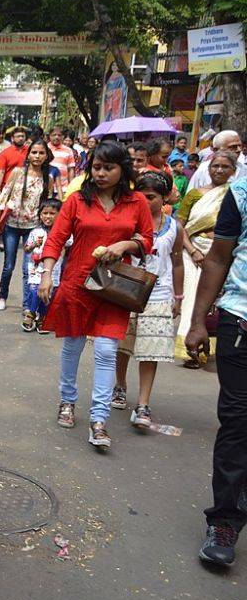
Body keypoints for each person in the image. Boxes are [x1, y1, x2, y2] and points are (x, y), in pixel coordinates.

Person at [38, 141, 154, 450]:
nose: (100, 173)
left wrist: (124, 246)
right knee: (73, 345)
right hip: (77, 283)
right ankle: (67, 400)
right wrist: (47, 274)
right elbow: (56, 239)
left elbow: (147, 240)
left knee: (105, 350)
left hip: (115, 289)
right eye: (96, 167)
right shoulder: (77, 200)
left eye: (108, 168)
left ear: (122, 169)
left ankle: (99, 419)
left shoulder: (137, 202)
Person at [185, 176, 247, 567]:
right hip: (240, 322)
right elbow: (219, 257)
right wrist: (196, 321)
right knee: (238, 421)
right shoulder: (241, 192)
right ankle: (225, 520)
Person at [111, 172, 186, 425]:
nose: (145, 200)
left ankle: (143, 404)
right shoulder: (127, 221)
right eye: (141, 195)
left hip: (159, 294)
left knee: (150, 351)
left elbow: (176, 263)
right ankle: (119, 386)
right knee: (122, 345)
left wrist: (178, 296)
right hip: (126, 290)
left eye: (151, 197)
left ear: (164, 198)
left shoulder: (175, 227)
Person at [175, 150, 239, 367]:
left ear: (234, 171)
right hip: (192, 252)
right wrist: (192, 250)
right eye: (215, 166)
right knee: (193, 298)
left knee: (217, 300)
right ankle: (188, 350)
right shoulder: (194, 195)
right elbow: (180, 226)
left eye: (225, 167)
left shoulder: (235, 194)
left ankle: (207, 348)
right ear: (208, 168)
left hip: (221, 254)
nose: (219, 170)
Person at [0, 139, 57, 312]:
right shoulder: (17, 172)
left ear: (46, 156)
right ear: (28, 155)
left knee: (30, 269)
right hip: (12, 225)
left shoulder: (47, 178)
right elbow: (4, 196)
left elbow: (48, 205)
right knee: (9, 266)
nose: (37, 156)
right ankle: (2, 296)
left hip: (33, 227)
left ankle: (28, 306)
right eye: (34, 152)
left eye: (41, 153)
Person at [21, 199, 65, 333]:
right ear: (40, 215)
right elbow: (27, 249)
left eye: (52, 213)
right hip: (36, 267)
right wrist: (35, 245)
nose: (48, 216)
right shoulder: (36, 232)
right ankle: (31, 314)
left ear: (60, 214)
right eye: (45, 213)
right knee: (34, 290)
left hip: (53, 268)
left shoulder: (63, 232)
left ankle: (42, 319)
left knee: (47, 294)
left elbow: (68, 246)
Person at [0, 126, 29, 191]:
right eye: (18, 136)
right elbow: (1, 172)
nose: (21, 138)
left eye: (23, 136)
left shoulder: (30, 152)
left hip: (25, 187)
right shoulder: (4, 153)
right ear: (12, 138)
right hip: (8, 188)